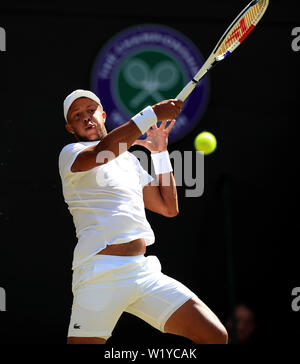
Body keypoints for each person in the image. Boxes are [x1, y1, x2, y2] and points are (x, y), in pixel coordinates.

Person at [59, 89, 228, 345]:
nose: (86, 117)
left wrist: (160, 153)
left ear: (103, 115)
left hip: (142, 272)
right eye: (77, 115)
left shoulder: (129, 161)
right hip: (98, 275)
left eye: (91, 110)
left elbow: (168, 208)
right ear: (70, 127)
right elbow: (102, 152)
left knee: (214, 336)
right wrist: (151, 114)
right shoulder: (71, 154)